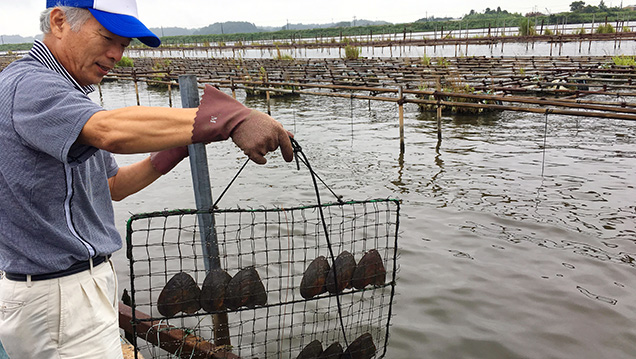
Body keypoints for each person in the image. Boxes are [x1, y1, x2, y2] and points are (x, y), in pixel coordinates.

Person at [0, 0, 293, 358]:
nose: (115, 54)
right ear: (59, 22)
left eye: (123, 45)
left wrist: (173, 149)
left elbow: (112, 187)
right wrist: (225, 119)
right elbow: (110, 130)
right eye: (107, 37)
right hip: (59, 296)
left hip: (78, 289)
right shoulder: (31, 86)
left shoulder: (69, 97)